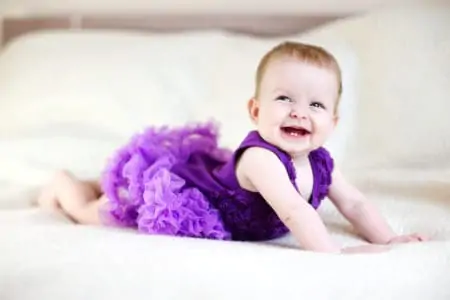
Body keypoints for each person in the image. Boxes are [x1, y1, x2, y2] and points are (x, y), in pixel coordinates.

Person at [36, 41, 427, 253]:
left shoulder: (322, 162)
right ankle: (64, 184)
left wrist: (389, 240)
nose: (299, 112)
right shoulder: (261, 159)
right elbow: (293, 211)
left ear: (333, 123)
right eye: (284, 98)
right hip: (192, 197)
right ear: (255, 110)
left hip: (216, 180)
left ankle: (94, 180)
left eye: (317, 104)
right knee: (100, 213)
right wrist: (334, 254)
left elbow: (355, 204)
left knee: (112, 194)